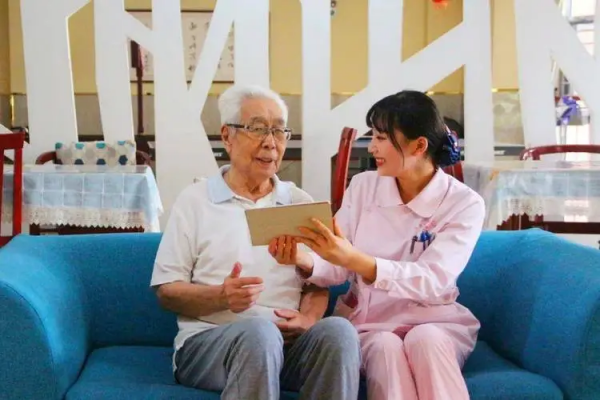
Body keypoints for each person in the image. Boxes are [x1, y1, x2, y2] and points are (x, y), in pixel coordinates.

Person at [269, 90, 485, 400]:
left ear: (419, 146)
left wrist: (355, 260)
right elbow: (336, 263)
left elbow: (433, 280)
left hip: (434, 319)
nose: (372, 147)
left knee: (425, 339)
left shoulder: (464, 204)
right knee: (384, 345)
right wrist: (304, 260)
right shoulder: (363, 186)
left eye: (382, 138)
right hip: (370, 322)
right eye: (373, 136)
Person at [150, 84, 361, 400]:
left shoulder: (299, 202)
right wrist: (221, 297)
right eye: (258, 129)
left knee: (339, 332)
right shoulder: (195, 201)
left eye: (278, 131)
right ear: (227, 136)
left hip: (288, 346)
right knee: (259, 334)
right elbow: (167, 292)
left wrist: (308, 318)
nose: (270, 142)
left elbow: (318, 284)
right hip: (210, 342)